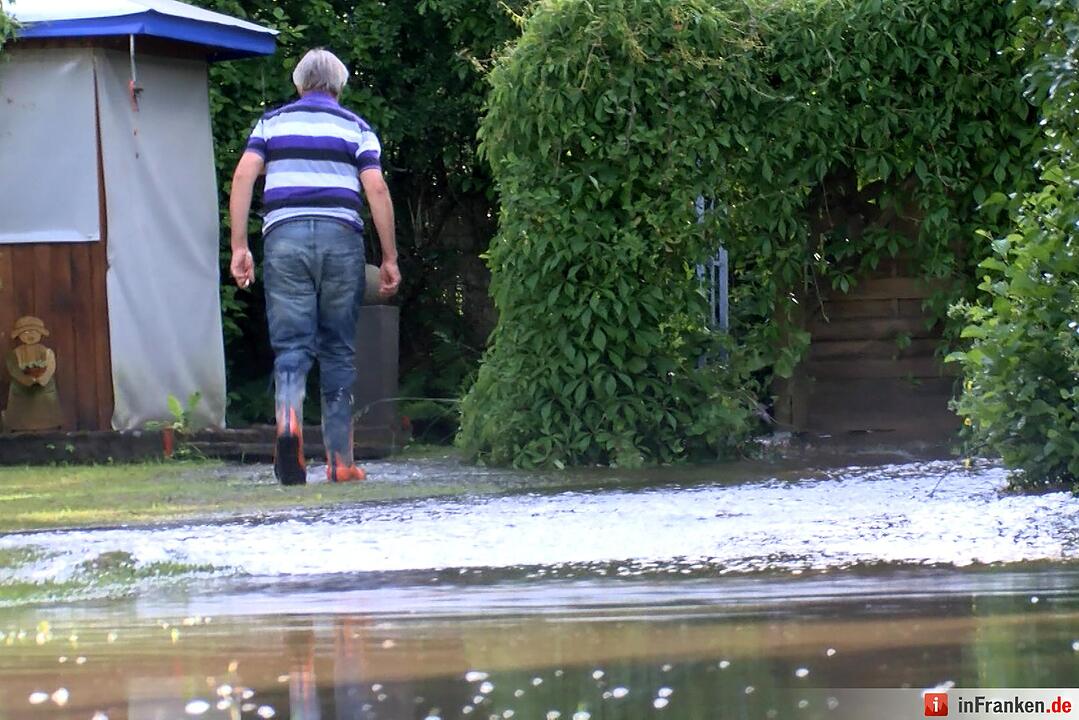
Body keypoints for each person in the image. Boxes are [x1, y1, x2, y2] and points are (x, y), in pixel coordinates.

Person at [227, 48, 400, 485]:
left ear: (299, 85)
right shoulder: (357, 128)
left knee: (291, 347)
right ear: (338, 88)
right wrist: (389, 257)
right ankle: (340, 461)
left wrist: (239, 247)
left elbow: (245, 175)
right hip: (341, 240)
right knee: (338, 347)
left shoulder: (272, 124)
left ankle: (288, 424)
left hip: (283, 239)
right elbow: (375, 189)